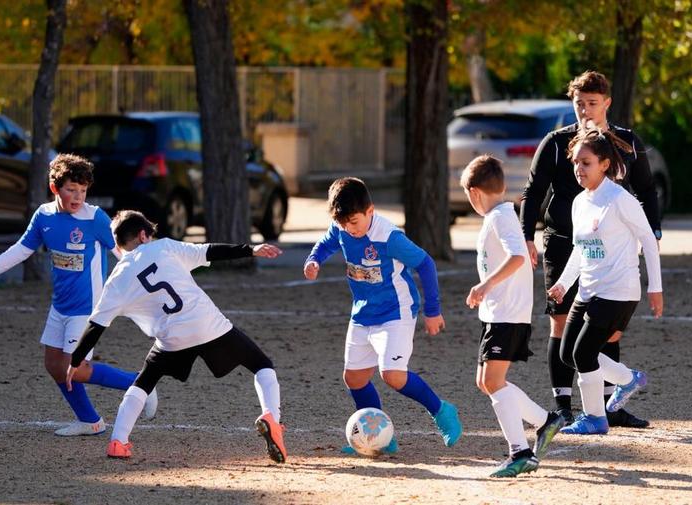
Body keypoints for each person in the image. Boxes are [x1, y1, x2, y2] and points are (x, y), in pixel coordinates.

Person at [66, 210, 287, 463]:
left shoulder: (116, 279)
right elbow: (210, 250)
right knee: (261, 365)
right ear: (143, 235)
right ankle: (272, 418)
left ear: (118, 244)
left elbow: (96, 326)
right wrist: (251, 249)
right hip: (208, 324)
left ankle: (118, 441)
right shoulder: (165, 247)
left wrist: (75, 361)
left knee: (144, 381)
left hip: (172, 339)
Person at [0, 154, 156, 436]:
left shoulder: (94, 217)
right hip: (60, 305)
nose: (78, 197)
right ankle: (90, 421)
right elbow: (24, 248)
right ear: (55, 188)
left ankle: (139, 382)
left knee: (75, 368)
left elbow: (121, 253)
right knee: (53, 365)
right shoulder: (44, 216)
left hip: (87, 307)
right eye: (72, 189)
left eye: (83, 191)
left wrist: (148, 279)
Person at [520, 70, 661, 428]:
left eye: (592, 103)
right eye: (578, 103)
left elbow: (646, 189)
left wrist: (653, 233)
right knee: (563, 328)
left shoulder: (625, 145)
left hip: (611, 256)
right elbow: (534, 191)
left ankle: (607, 407)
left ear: (606, 103)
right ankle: (565, 405)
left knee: (604, 336)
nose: (584, 109)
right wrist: (526, 236)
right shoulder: (557, 142)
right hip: (565, 245)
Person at [303, 177, 462, 454]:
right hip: (363, 312)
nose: (348, 229)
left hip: (396, 312)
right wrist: (313, 260)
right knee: (354, 378)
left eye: (354, 222)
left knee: (393, 375)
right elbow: (326, 243)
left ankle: (443, 411)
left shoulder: (388, 237)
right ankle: (378, 437)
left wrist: (433, 311)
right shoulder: (341, 228)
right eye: (342, 224)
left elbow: (426, 264)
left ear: (370, 211)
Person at [546, 126, 662, 435]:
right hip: (588, 289)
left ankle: (595, 418)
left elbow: (648, 241)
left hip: (618, 290)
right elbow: (580, 250)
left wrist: (656, 288)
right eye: (575, 162)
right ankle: (628, 378)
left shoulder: (619, 198)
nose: (578, 169)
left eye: (586, 163)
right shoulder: (579, 202)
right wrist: (564, 283)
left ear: (604, 164)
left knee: (583, 354)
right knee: (567, 352)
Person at [461, 155, 566, 477]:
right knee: (485, 381)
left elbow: (519, 257)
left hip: (507, 314)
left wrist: (485, 284)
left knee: (492, 381)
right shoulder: (502, 215)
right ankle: (546, 421)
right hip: (499, 313)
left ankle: (520, 452)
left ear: (475, 192)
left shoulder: (500, 217)